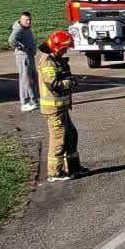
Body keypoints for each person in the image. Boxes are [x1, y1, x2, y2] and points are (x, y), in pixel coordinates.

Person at [36, 29, 84, 181]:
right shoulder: (48, 62)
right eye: (64, 48)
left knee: (71, 135)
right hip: (54, 109)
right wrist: (70, 82)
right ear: (56, 47)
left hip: (62, 107)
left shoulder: (56, 59)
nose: (65, 51)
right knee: (59, 138)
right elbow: (53, 84)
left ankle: (73, 167)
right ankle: (55, 172)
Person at [9, 11, 38, 112]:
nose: (29, 22)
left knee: (32, 78)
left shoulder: (26, 28)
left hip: (29, 56)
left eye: (30, 20)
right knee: (25, 79)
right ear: (21, 20)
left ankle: (33, 100)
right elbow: (11, 40)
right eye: (26, 20)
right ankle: (25, 103)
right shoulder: (19, 29)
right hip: (23, 58)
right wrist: (23, 48)